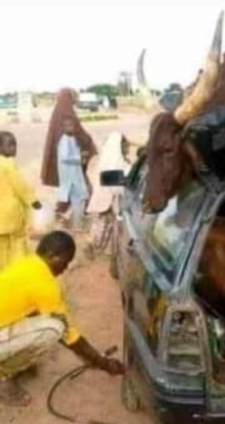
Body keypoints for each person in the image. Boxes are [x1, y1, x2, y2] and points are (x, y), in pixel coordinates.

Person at [0, 231, 124, 406]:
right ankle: (3, 377)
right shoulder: (44, 284)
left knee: (40, 321)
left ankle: (9, 362)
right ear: (52, 256)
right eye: (65, 262)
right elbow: (69, 335)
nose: (65, 268)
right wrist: (102, 362)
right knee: (54, 328)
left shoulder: (27, 263)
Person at [84, 131, 131, 259]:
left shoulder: (103, 160)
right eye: (126, 146)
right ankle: (92, 246)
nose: (128, 148)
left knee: (104, 225)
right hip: (108, 201)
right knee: (102, 225)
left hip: (103, 199)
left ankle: (96, 247)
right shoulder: (118, 164)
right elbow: (119, 184)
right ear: (119, 147)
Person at [40, 87, 97, 193]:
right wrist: (89, 144)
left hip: (58, 153)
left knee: (65, 179)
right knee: (77, 179)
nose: (75, 100)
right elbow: (79, 132)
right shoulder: (68, 112)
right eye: (74, 97)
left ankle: (64, 202)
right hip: (70, 153)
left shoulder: (57, 111)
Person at [0, 131, 42, 271]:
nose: (14, 149)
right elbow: (20, 185)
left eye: (15, 145)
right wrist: (33, 200)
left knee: (2, 250)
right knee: (18, 245)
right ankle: (18, 271)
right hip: (11, 216)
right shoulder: (8, 164)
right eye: (10, 145)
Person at [57, 118, 90, 231]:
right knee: (79, 199)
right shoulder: (65, 140)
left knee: (81, 198)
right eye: (68, 125)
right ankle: (76, 226)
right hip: (70, 176)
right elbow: (65, 158)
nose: (70, 127)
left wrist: (81, 156)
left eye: (72, 125)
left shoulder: (71, 139)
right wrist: (80, 158)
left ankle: (69, 219)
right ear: (63, 128)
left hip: (75, 174)